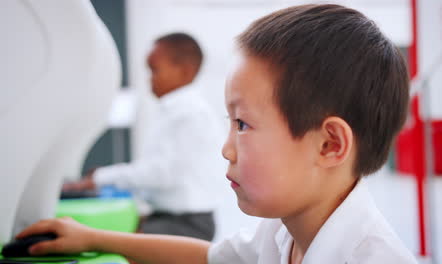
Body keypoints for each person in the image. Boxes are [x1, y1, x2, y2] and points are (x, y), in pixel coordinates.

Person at [16, 4, 417, 264]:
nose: (226, 149)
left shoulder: (371, 257)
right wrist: (93, 237)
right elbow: (208, 257)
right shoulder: (282, 230)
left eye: (242, 125)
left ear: (329, 144)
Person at [62, 33, 223, 241]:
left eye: (154, 70)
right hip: (168, 217)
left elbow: (163, 173)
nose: (149, 79)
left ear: (184, 72)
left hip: (186, 223)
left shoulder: (190, 113)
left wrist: (101, 178)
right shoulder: (175, 111)